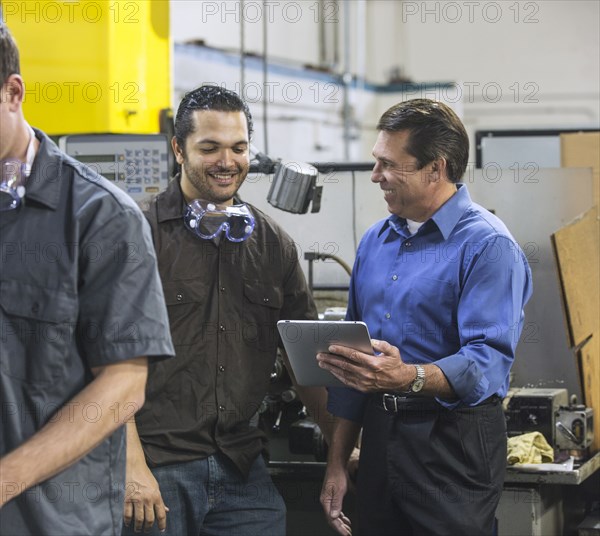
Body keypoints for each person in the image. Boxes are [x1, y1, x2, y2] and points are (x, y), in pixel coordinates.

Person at [317, 99, 533, 536]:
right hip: (380, 436)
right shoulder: (375, 242)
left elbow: (487, 362)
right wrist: (337, 463)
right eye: (376, 162)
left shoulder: (488, 246)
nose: (375, 176)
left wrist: (408, 377)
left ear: (436, 169)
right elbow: (352, 363)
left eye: (388, 165)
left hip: (452, 443)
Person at [123, 85, 331, 536]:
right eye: (209, 147)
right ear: (178, 149)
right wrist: (131, 468)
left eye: (238, 148)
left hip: (242, 469)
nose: (227, 161)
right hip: (159, 467)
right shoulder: (136, 235)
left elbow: (307, 363)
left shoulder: (273, 244)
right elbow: (104, 363)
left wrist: (340, 450)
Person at [0, 24, 175, 535]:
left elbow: (124, 382)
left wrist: (6, 479)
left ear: (13, 93)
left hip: (50, 519)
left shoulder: (100, 217)